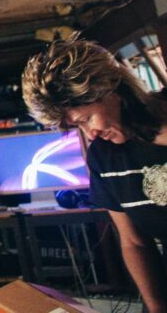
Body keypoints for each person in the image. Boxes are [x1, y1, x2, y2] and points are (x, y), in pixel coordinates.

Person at [22, 35, 167, 313]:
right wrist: (156, 307)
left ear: (108, 89)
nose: (91, 134)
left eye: (86, 119)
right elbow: (134, 242)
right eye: (78, 127)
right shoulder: (105, 157)